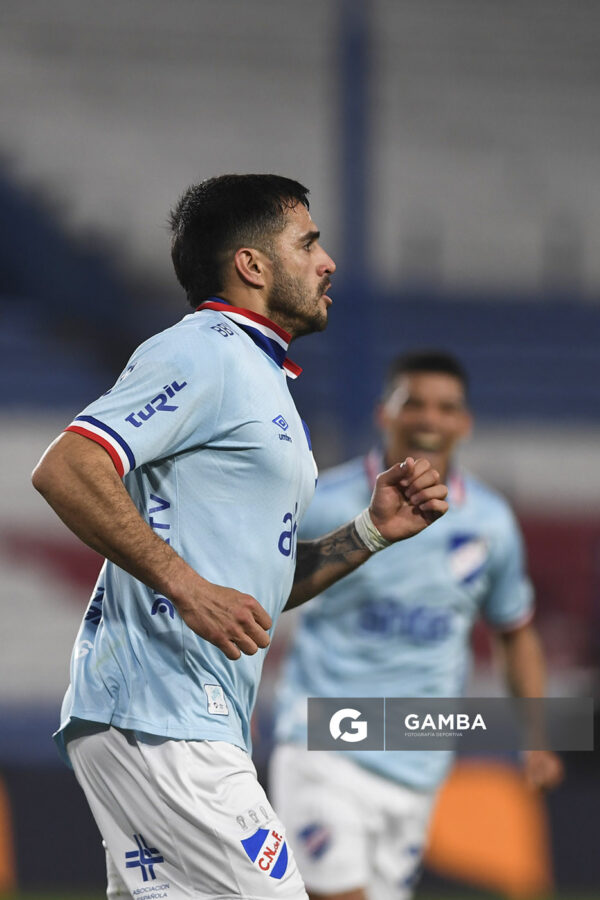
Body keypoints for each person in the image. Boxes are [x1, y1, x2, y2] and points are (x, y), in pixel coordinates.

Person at [31, 175, 449, 900]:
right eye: (308, 242)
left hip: (181, 717)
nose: (328, 262)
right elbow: (68, 468)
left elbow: (257, 589)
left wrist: (371, 532)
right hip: (162, 711)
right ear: (252, 266)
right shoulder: (204, 353)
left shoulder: (257, 376)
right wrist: (188, 587)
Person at [269, 350, 564, 900]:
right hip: (322, 741)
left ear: (464, 422)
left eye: (446, 407)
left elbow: (515, 631)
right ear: (385, 413)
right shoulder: (322, 501)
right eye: (415, 404)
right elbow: (261, 595)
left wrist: (536, 734)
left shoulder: (491, 523)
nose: (430, 419)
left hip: (418, 757)